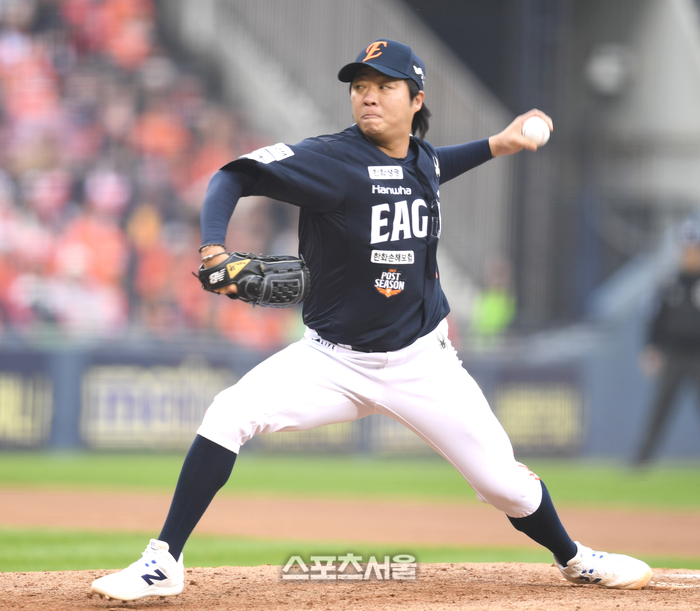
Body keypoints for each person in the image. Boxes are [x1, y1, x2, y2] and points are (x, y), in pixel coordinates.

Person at [91, 39, 653, 601]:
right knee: (229, 411)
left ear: (416, 100)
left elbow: (435, 165)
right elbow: (232, 176)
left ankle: (575, 558)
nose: (368, 96)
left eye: (385, 86)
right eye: (360, 86)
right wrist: (214, 247)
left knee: (506, 487)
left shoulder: (421, 159)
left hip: (422, 363)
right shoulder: (330, 160)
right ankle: (163, 560)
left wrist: (498, 144)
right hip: (330, 361)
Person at [635, 217, 700, 465]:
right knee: (660, 409)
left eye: (694, 249)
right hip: (674, 354)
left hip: (698, 355)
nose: (690, 255)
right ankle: (642, 459)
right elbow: (655, 319)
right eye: (687, 249)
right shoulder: (670, 284)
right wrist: (651, 347)